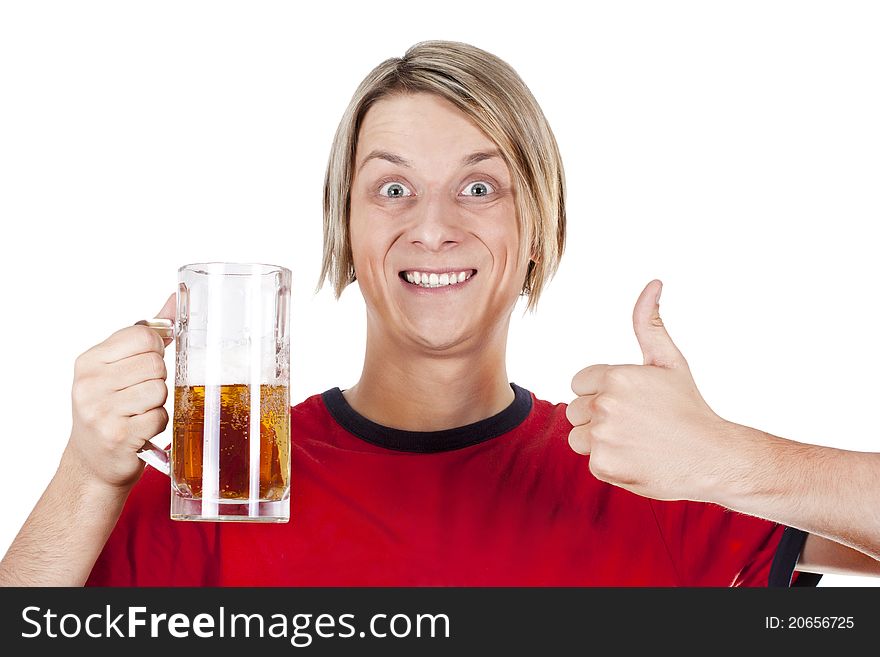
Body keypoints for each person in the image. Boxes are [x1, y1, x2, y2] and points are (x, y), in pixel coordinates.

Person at [1, 40, 878, 587]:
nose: (432, 225)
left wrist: (741, 459)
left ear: (539, 228)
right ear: (343, 228)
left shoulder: (652, 477)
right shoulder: (229, 489)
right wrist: (89, 473)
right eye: (391, 187)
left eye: (479, 186)